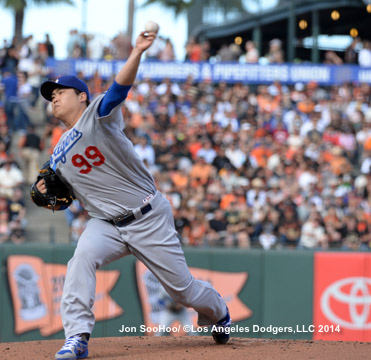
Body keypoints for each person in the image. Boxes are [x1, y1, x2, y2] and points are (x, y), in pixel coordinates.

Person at [36, 30, 231, 360]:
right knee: (80, 259)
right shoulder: (57, 153)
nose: (53, 97)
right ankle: (77, 337)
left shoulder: (97, 115)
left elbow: (118, 89)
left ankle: (219, 311)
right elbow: (62, 191)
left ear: (81, 96)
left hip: (147, 216)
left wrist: (138, 52)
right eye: (50, 94)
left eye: (60, 91)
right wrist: (45, 191)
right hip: (106, 225)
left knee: (182, 291)